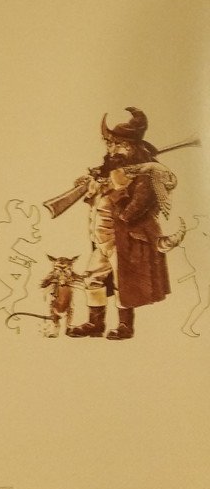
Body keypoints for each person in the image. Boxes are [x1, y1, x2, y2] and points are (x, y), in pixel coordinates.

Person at [69, 107, 176, 340]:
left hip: (125, 238)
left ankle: (125, 326)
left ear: (131, 147)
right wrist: (94, 183)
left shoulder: (145, 176)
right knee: (92, 278)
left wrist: (114, 187)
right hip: (102, 238)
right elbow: (97, 200)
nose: (112, 149)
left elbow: (134, 209)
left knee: (123, 283)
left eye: (118, 144)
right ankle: (95, 324)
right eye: (111, 144)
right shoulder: (111, 170)